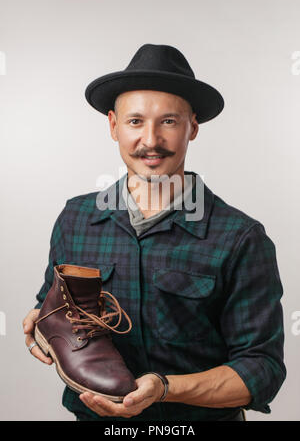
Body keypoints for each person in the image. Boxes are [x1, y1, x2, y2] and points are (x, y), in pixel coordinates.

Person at [23, 44, 286, 421]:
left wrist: (165, 387)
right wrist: (43, 323)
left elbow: (263, 369)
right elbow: (56, 306)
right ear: (113, 125)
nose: (150, 140)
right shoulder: (75, 217)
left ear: (192, 126)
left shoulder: (240, 237)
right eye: (135, 122)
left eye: (168, 121)